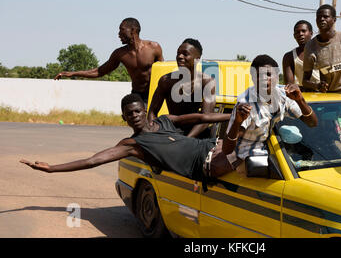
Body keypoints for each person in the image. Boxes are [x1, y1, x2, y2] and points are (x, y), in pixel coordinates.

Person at [20, 93, 252, 188]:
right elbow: (93, 161)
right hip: (206, 166)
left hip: (213, 146)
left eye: (137, 111)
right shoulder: (132, 145)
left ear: (144, 110)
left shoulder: (164, 121)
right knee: (246, 155)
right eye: (129, 114)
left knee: (256, 139)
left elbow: (203, 117)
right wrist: (51, 169)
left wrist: (235, 114)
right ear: (124, 118)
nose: (134, 117)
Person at [222, 55, 318, 169]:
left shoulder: (283, 94)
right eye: (259, 75)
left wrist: (300, 100)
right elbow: (227, 149)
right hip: (248, 158)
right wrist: (237, 122)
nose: (264, 79)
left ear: (277, 76)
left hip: (272, 149)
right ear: (253, 78)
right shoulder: (246, 104)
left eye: (268, 74)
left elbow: (312, 123)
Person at [54, 18, 164, 105]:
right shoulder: (119, 54)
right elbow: (99, 72)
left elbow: (163, 73)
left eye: (121, 30)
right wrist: (71, 73)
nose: (118, 34)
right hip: (137, 95)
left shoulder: (154, 47)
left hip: (155, 94)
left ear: (133, 30)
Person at [148, 38, 216, 138]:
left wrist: (186, 140)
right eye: (178, 53)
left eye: (185, 54)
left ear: (197, 58)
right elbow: (152, 112)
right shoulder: (166, 80)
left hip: (195, 133)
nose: (180, 56)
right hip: (170, 131)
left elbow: (206, 119)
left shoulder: (206, 82)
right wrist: (152, 131)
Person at [302, 4, 341, 94]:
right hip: (328, 96)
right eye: (319, 17)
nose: (322, 19)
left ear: (334, 20)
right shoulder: (310, 46)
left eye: (326, 17)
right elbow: (305, 81)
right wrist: (317, 86)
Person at [282, 20, 320, 86]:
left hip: (327, 94)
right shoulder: (289, 57)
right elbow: (289, 85)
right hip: (306, 94)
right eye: (297, 32)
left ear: (311, 33)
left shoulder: (321, 51)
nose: (300, 34)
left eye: (303, 31)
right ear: (294, 36)